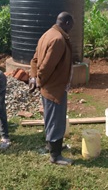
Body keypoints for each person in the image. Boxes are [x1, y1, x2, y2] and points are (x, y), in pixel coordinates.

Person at [29, 12, 74, 165]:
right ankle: (56, 156)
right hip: (54, 88)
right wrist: (40, 80)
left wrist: (34, 78)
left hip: (48, 87)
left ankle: (52, 146)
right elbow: (46, 67)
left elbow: (34, 59)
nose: (71, 30)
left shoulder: (47, 34)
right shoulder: (58, 39)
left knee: (50, 118)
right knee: (57, 120)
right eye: (71, 26)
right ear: (66, 23)